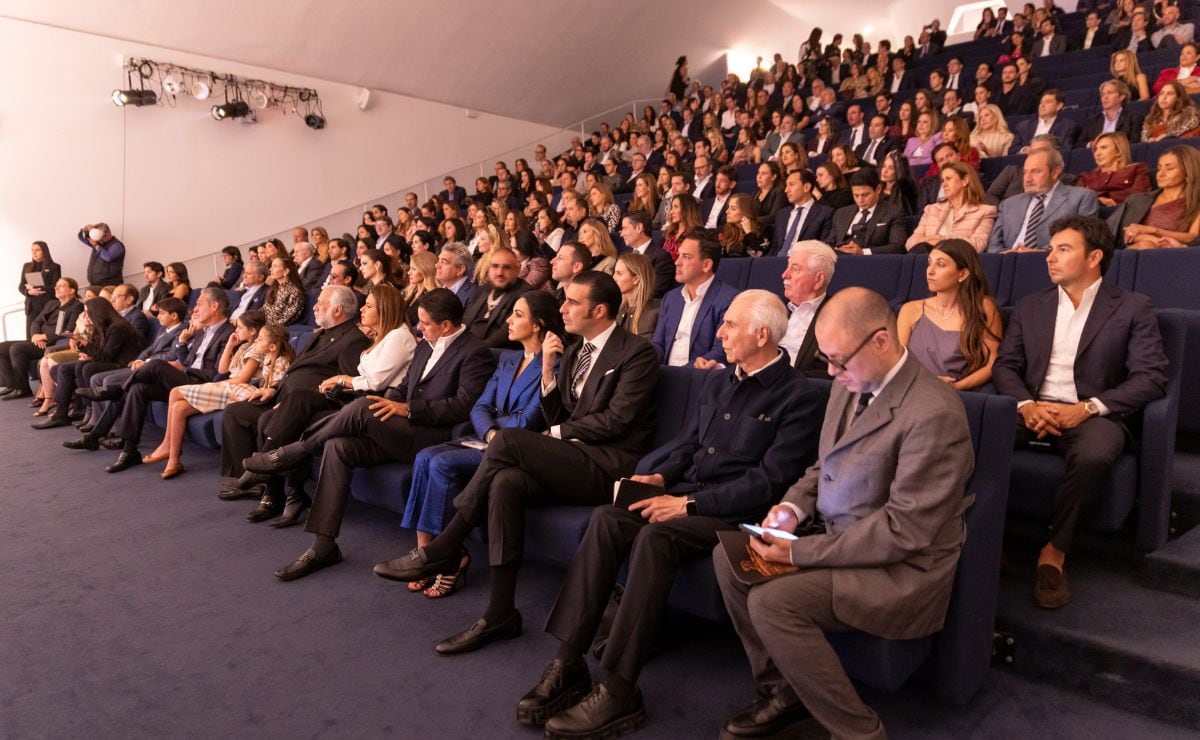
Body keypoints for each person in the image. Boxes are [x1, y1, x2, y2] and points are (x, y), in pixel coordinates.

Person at [522, 291, 824, 738]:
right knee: (607, 519)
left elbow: (770, 483)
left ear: (762, 335)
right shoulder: (719, 383)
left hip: (736, 514)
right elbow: (689, 445)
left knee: (655, 538)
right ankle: (568, 663)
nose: (720, 333)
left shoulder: (799, 397)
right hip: (686, 495)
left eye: (730, 325)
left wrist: (686, 505)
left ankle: (620, 690)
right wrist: (659, 476)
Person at [716, 287, 974, 740]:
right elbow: (824, 465)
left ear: (881, 340)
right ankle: (786, 691)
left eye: (838, 361)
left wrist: (797, 553)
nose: (831, 373)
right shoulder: (849, 383)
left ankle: (859, 731)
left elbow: (903, 532)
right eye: (827, 360)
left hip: (899, 569)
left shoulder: (934, 413)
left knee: (773, 603)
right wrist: (791, 509)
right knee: (730, 559)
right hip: (838, 538)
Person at [369, 272, 660, 656]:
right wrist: (548, 371)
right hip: (571, 459)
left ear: (600, 310)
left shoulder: (637, 352)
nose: (563, 309)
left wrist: (553, 434)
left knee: (507, 440)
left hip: (608, 467)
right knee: (506, 482)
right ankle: (500, 613)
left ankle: (446, 544)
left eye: (573, 302)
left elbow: (617, 421)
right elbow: (561, 411)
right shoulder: (574, 350)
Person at [244, 288, 496, 580]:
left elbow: (463, 406)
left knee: (363, 406)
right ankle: (323, 545)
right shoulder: (426, 346)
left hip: (431, 437)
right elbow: (405, 388)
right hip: (399, 431)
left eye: (425, 323)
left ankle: (296, 451)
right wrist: (393, 401)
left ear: (447, 325)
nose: (419, 327)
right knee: (338, 445)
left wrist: (408, 409)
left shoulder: (474, 352)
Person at [992, 216, 1167, 608]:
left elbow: (1151, 378)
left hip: (1092, 413)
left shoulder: (1132, 307)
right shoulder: (1031, 305)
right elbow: (1006, 366)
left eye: (1063, 249)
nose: (1049, 257)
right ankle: (984, 536)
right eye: (1051, 248)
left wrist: (1087, 408)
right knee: (970, 435)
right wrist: (1026, 404)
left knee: (1094, 455)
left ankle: (1054, 552)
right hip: (1031, 407)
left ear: (1094, 257)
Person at [399, 292, 564, 598]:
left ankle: (448, 558)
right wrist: (490, 432)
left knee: (441, 462)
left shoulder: (553, 363)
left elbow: (531, 420)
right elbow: (479, 406)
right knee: (424, 457)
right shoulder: (509, 358)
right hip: (487, 439)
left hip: (517, 449)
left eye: (517, 315)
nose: (508, 320)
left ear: (537, 325)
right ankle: (426, 552)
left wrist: (495, 433)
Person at [214, 286, 371, 518]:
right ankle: (255, 481)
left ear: (338, 310)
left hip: (314, 402)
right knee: (235, 412)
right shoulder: (320, 334)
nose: (315, 306)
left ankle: (268, 488)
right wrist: (273, 389)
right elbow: (294, 371)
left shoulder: (353, 340)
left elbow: (347, 385)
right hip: (284, 397)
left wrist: (297, 397)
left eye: (321, 303)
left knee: (268, 419)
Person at [100, 288, 236, 473]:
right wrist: (182, 342)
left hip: (204, 386)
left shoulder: (229, 333)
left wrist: (184, 369)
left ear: (214, 306)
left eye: (199, 304)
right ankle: (129, 451)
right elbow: (187, 360)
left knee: (156, 365)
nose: (195, 308)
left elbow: (218, 374)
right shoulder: (201, 332)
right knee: (139, 388)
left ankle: (118, 390)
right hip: (186, 381)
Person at [147, 315, 292, 479]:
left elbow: (244, 380)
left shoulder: (258, 352)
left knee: (175, 392)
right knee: (179, 407)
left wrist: (213, 385)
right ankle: (174, 460)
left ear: (252, 331)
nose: (236, 330)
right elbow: (223, 370)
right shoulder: (245, 347)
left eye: (240, 328)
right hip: (231, 385)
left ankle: (167, 444)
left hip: (238, 388)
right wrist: (230, 345)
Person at [897, 240, 1003, 391]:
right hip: (913, 391)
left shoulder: (983, 307)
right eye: (929, 263)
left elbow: (993, 363)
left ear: (963, 274)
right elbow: (898, 364)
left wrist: (956, 387)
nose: (930, 271)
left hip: (959, 396)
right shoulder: (910, 309)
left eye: (940, 264)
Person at [31, 296, 146, 430]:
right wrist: (86, 349)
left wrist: (84, 342)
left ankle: (91, 411)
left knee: (86, 368)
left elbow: (106, 356)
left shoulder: (118, 328)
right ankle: (63, 412)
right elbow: (99, 351)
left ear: (98, 311)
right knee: (65, 368)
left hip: (123, 364)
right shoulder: (103, 326)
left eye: (88, 312)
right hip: (112, 360)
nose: (86, 316)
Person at [651, 234, 739, 367]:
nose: (677, 262)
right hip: (665, 374)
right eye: (679, 255)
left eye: (686, 256)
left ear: (706, 265)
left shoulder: (729, 299)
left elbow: (721, 350)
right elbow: (658, 344)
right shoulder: (670, 298)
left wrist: (685, 372)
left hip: (699, 376)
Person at [987, 149, 1100, 252]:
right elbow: (993, 246)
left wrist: (1038, 253)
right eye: (1025, 172)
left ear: (1055, 172)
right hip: (1008, 261)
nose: (1027, 179)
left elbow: (1083, 240)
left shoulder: (1082, 197)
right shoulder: (1008, 204)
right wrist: (1005, 254)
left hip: (1051, 261)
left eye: (1035, 171)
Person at [0, 278, 82, 400]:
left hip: (53, 343)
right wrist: (35, 336)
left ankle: (23, 389)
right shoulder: (52, 304)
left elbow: (68, 330)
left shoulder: (77, 306)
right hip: (38, 340)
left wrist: (44, 337)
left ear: (72, 290)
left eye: (61, 286)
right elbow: (36, 322)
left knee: (17, 348)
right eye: (56, 285)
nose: (56, 288)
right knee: (2, 347)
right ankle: (13, 384)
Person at [1110, 145, 1200, 248]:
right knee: (1146, 245)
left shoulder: (1197, 202)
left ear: (1188, 172)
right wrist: (1158, 242)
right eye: (1159, 168)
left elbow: (1193, 237)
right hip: (1138, 249)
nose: (1160, 174)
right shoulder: (1139, 200)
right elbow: (1127, 234)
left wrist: (1153, 230)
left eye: (1169, 168)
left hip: (1175, 253)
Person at [776, 241, 837, 377]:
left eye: (795, 268)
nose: (785, 274)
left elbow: (833, 373)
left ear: (818, 280)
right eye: (787, 267)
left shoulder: (838, 315)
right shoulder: (774, 306)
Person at [907, 163, 999, 253]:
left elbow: (978, 244)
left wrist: (942, 240)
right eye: (942, 180)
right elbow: (910, 243)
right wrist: (929, 241)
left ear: (965, 180)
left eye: (948, 179)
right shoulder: (931, 209)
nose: (944, 184)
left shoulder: (985, 212)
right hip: (924, 256)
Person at [460, 247, 532, 348]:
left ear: (517, 269)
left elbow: (504, 334)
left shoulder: (525, 294)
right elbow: (465, 323)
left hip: (498, 353)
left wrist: (475, 350)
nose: (499, 273)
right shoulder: (482, 290)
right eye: (495, 266)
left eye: (506, 267)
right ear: (489, 268)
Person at [830, 168, 909, 255]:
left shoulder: (894, 212)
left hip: (869, 260)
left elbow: (898, 247)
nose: (860, 200)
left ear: (878, 189)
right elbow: (829, 243)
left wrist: (863, 252)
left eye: (865, 195)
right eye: (856, 195)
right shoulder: (841, 213)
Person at [768, 169, 834, 257]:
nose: (786, 190)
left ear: (806, 187)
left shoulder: (824, 213)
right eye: (786, 185)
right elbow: (774, 247)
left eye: (791, 184)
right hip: (777, 261)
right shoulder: (781, 214)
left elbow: (822, 247)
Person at [1077, 132, 1151, 207]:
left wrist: (1101, 197)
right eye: (1095, 149)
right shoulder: (1086, 177)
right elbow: (1078, 199)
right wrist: (1098, 200)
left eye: (1103, 148)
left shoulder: (1137, 169)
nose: (1097, 153)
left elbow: (1139, 194)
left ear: (1118, 151)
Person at [619, 212, 674, 299]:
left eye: (624, 228)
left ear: (639, 228)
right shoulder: (623, 255)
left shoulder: (662, 257)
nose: (621, 234)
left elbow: (655, 291)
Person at [1010, 90, 1080, 154]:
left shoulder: (1068, 126)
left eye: (1048, 102)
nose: (1042, 105)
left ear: (1059, 106)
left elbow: (1066, 150)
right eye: (1041, 102)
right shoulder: (1023, 126)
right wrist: (1024, 150)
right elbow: (1012, 150)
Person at [1079, 80, 1144, 146]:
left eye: (1109, 93)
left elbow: (1135, 143)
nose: (1105, 97)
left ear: (1121, 96)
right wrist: (1091, 144)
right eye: (1102, 94)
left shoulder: (1134, 118)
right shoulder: (1092, 121)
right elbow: (1079, 144)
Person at [612, 253, 661, 340]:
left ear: (636, 279)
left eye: (619, 273)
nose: (614, 278)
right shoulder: (618, 310)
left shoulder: (656, 311)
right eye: (614, 273)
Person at [18, 241, 60, 340]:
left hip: (47, 305)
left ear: (44, 251)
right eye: (32, 250)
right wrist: (29, 292)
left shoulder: (54, 267)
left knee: (45, 335)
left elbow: (55, 286)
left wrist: (37, 288)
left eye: (37, 250)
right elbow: (21, 286)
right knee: (31, 337)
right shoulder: (27, 266)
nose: (34, 253)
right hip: (31, 306)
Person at [76, 222, 125, 286]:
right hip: (95, 284)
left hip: (110, 285)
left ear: (107, 233)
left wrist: (96, 246)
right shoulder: (98, 242)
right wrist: (85, 231)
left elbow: (108, 257)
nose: (99, 237)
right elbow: (81, 237)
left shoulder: (117, 245)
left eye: (100, 234)